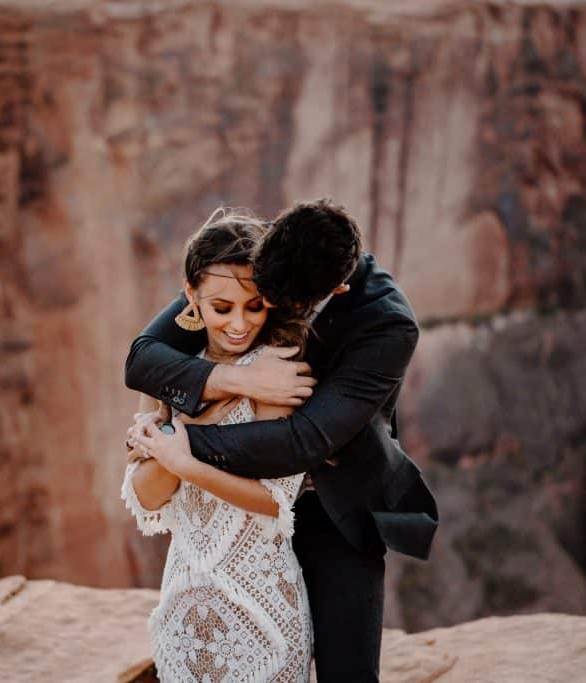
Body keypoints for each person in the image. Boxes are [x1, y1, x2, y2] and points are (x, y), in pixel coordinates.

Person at [125, 199, 438, 683]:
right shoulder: (260, 253)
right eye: (262, 295)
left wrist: (172, 443)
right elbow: (143, 359)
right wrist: (238, 380)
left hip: (335, 505)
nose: (260, 315)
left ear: (336, 288)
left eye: (273, 302)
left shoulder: (388, 323)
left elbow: (303, 441)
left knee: (349, 675)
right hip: (233, 509)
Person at [121, 209, 313, 682]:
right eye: (222, 308)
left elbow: (275, 501)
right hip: (184, 614)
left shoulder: (276, 369)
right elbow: (146, 496)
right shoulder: (167, 374)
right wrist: (188, 430)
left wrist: (182, 461)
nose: (239, 323)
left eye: (255, 306)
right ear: (191, 296)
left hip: (263, 613)